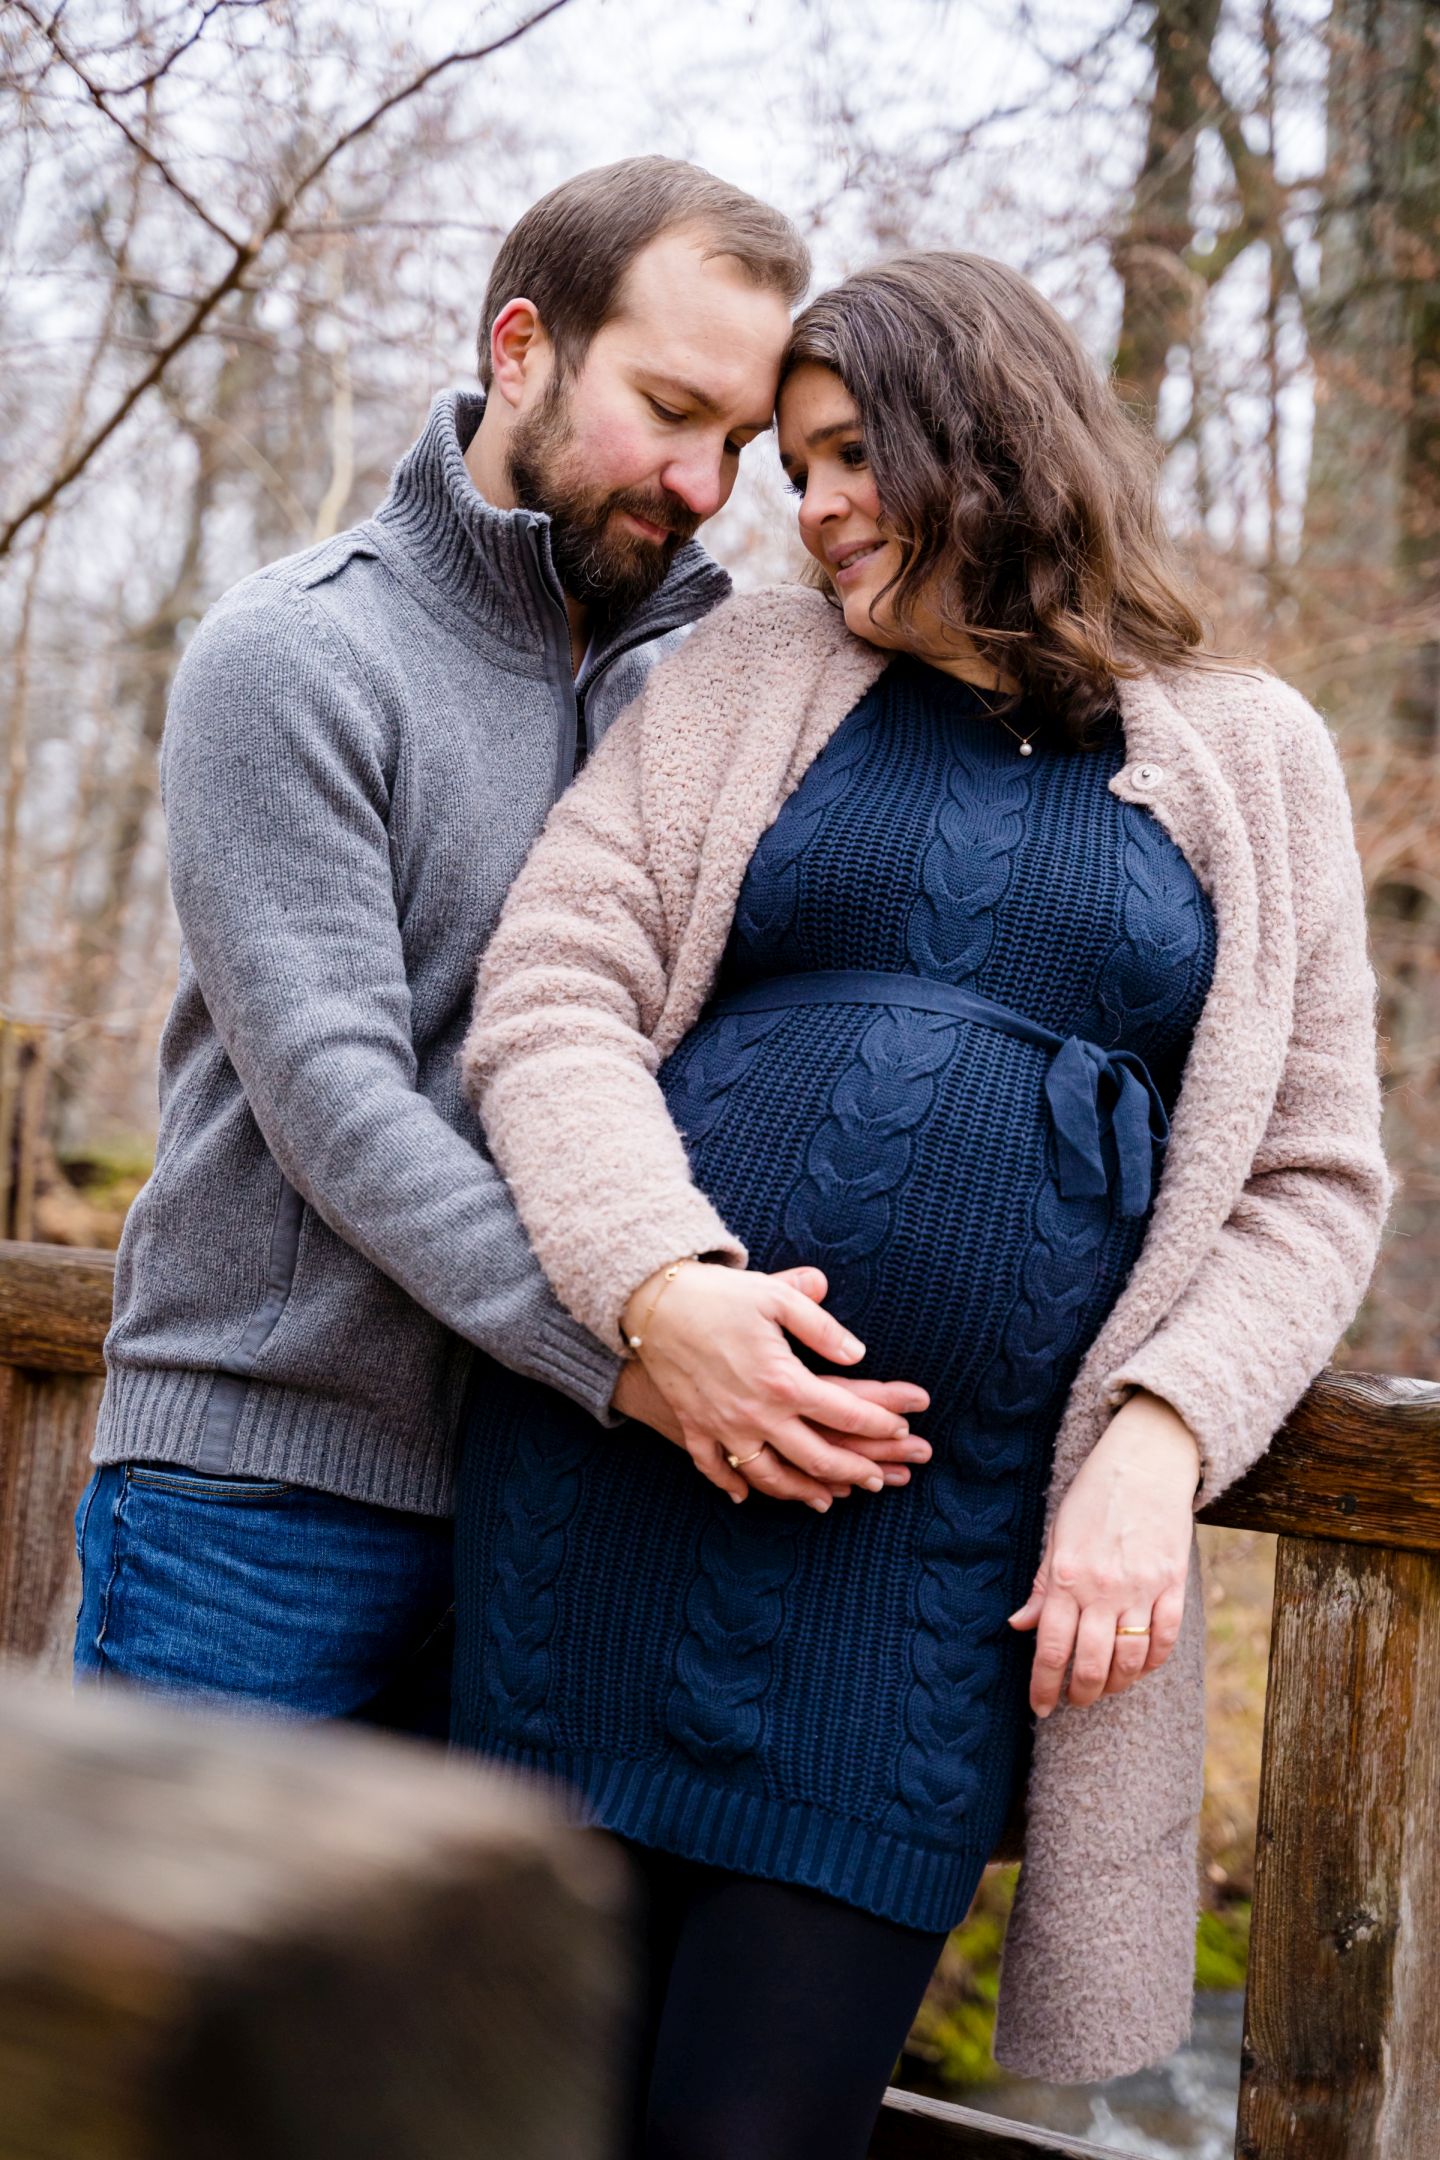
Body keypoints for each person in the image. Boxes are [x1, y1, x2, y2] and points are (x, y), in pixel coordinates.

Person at [453, 251, 1391, 2153]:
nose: (809, 509)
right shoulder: (752, 672)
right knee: (516, 2114)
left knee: (758, 2129)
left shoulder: (1244, 746)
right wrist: (660, 1282)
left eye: (848, 453)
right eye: (797, 467)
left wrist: (1160, 1437)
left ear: (991, 434)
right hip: (610, 1515)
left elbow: (1309, 1177)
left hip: (931, 1585)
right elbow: (552, 990)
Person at [73, 157, 924, 1734]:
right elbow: (337, 1101)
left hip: (564, 1517)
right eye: (669, 410)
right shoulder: (300, 654)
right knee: (178, 1985)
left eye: (736, 443)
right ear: (521, 348)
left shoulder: (719, 679)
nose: (700, 484)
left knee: (469, 1992)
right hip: (262, 1496)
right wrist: (632, 1339)